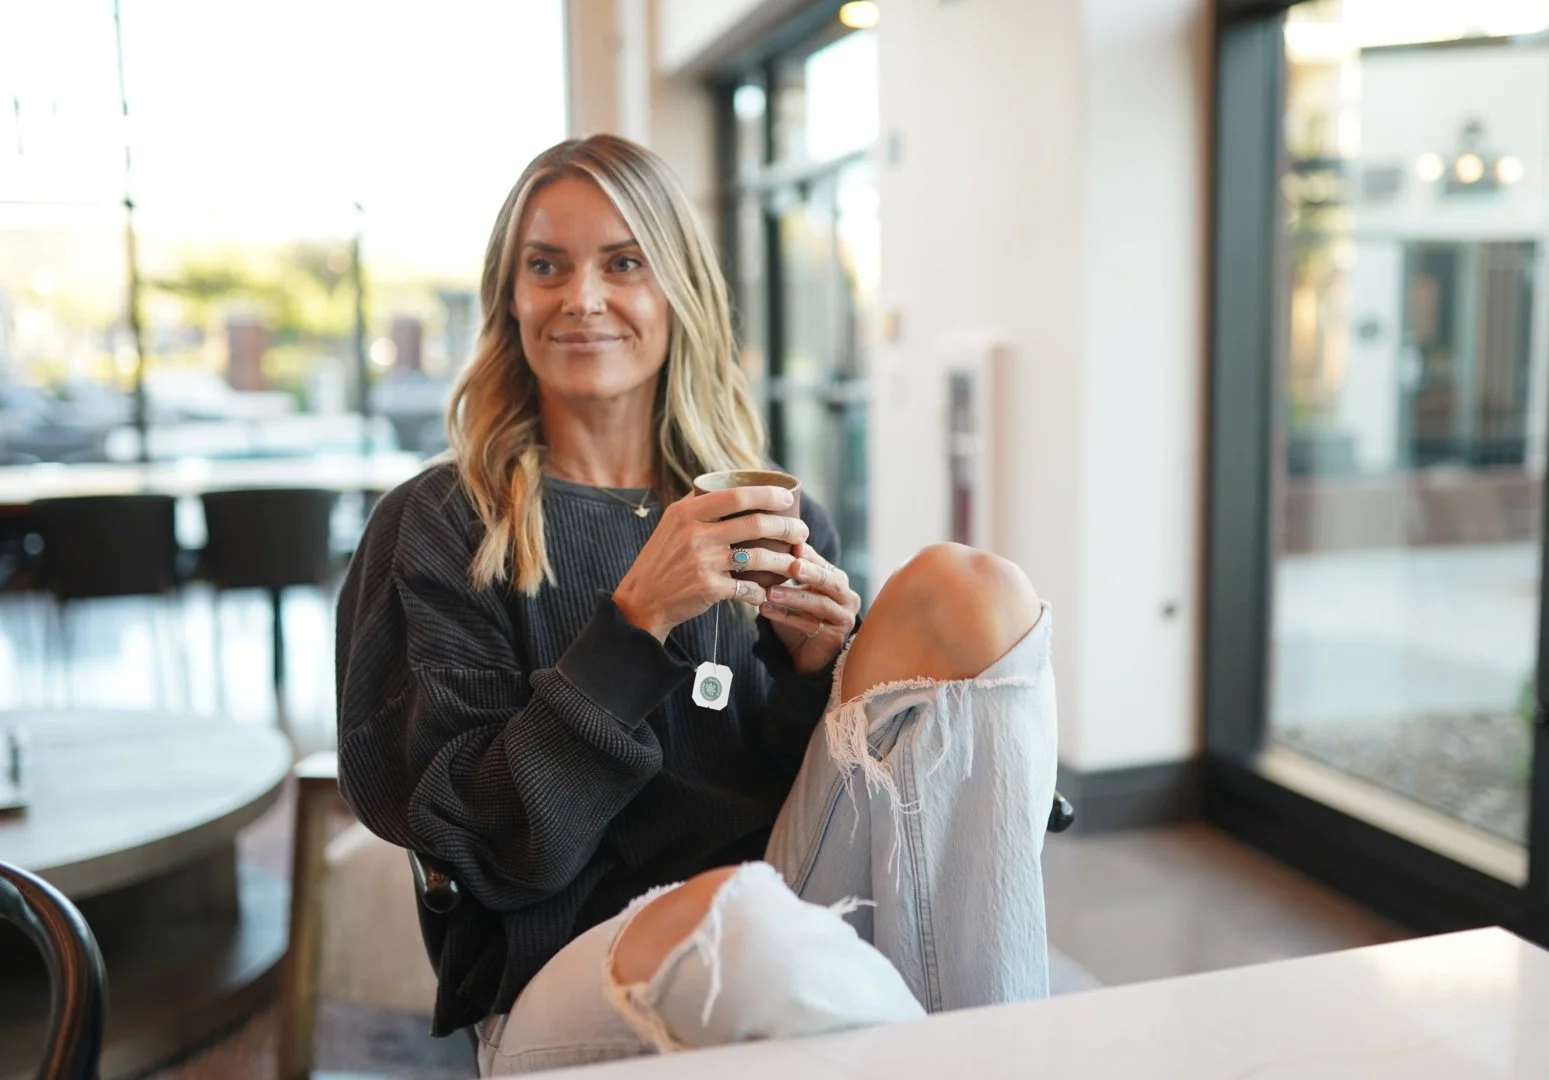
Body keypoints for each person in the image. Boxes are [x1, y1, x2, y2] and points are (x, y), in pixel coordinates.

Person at [335, 134, 1058, 1076]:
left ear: (677, 288)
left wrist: (813, 676)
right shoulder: (441, 524)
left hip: (786, 894)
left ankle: (998, 1051)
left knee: (976, 592)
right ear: (510, 299)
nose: (581, 297)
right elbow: (492, 847)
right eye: (545, 266)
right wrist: (634, 624)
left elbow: (810, 795)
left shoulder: (765, 511)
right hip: (562, 958)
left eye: (624, 263)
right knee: (744, 928)